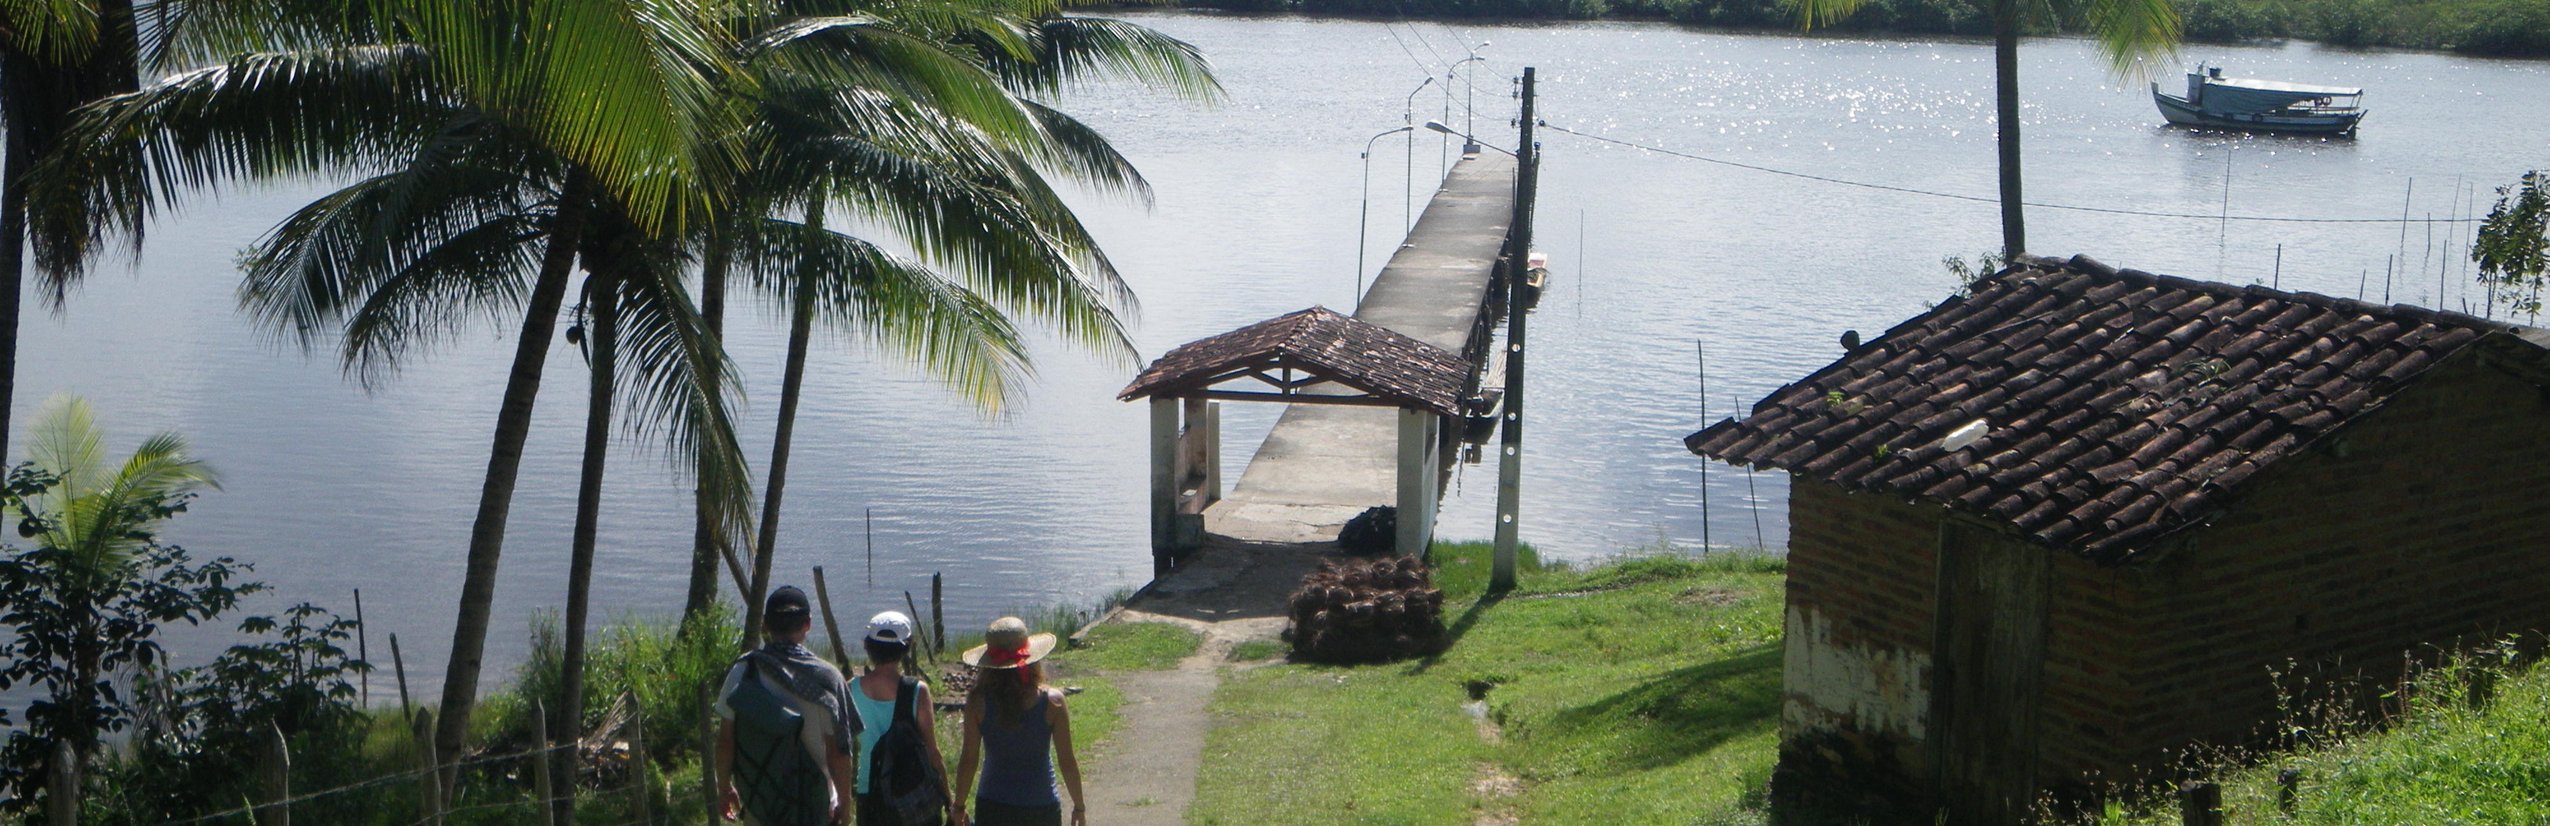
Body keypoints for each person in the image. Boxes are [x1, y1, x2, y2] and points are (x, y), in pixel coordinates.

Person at [716, 586, 858, 825]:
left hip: (760, 805)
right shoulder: (828, 679)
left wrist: (723, 787)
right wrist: (845, 802)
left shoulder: (743, 671)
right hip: (813, 808)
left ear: (765, 625)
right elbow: (840, 752)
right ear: (808, 624)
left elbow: (725, 741)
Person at [952, 617, 1085, 826]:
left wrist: (959, 805)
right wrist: (1079, 806)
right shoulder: (1053, 702)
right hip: (1041, 805)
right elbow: (1067, 760)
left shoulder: (978, 701)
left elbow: (969, 759)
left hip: (993, 804)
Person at [851, 610, 953, 826]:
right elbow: (932, 752)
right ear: (906, 647)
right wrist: (948, 799)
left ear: (868, 646)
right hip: (911, 790)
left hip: (869, 789)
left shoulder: (852, 688)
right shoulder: (916, 690)